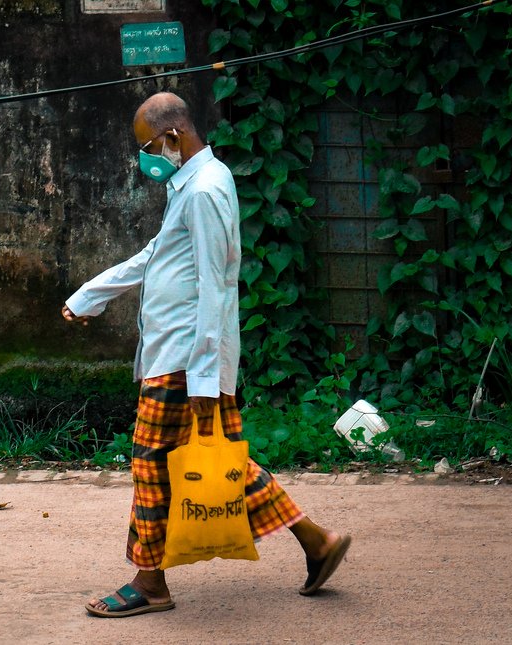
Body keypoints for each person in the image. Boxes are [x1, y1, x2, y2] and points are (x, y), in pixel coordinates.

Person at [62, 91, 351, 618]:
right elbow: (157, 256)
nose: (146, 159)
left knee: (153, 467)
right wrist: (90, 296)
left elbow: (215, 287)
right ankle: (316, 540)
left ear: (172, 136)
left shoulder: (203, 191)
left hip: (183, 359)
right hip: (177, 356)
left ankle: (150, 583)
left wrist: (202, 379)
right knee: (217, 461)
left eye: (149, 147)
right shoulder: (192, 185)